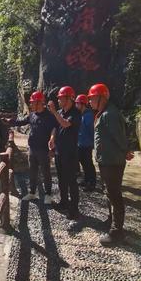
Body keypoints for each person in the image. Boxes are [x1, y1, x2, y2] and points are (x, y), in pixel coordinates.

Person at [88, 83, 134, 245]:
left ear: (102, 98)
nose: (90, 101)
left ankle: (117, 232)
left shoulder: (110, 114)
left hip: (112, 161)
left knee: (114, 195)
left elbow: (119, 136)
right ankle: (111, 221)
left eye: (92, 98)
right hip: (106, 160)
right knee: (109, 192)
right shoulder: (104, 113)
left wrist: (126, 150)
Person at [5, 91, 57, 204]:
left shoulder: (49, 116)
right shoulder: (32, 115)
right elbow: (22, 122)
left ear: (40, 103)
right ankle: (32, 193)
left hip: (44, 150)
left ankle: (48, 195)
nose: (31, 105)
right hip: (32, 149)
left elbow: (54, 129)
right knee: (32, 172)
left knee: (46, 172)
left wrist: (52, 142)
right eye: (31, 103)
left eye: (33, 103)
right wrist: (11, 122)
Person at [48, 86, 81, 221]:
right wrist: (52, 138)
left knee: (71, 181)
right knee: (61, 179)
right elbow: (56, 126)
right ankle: (64, 202)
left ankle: (74, 209)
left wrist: (55, 112)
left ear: (69, 99)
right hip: (59, 151)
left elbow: (66, 124)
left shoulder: (76, 113)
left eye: (61, 98)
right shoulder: (61, 111)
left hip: (70, 153)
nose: (59, 100)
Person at [75, 94, 97, 192]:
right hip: (81, 143)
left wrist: (93, 143)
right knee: (84, 162)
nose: (76, 105)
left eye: (77, 103)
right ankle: (87, 179)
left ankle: (91, 183)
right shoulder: (81, 114)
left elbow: (91, 130)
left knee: (88, 163)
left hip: (87, 144)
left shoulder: (88, 116)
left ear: (82, 104)